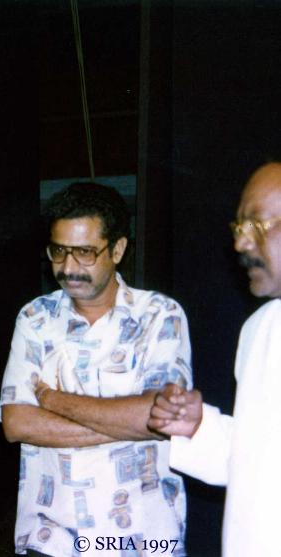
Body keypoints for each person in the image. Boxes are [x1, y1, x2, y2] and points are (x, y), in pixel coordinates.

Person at [0, 182, 193, 557]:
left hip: (141, 537)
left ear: (117, 249)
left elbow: (156, 419)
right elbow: (17, 423)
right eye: (59, 251)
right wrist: (125, 422)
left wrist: (53, 400)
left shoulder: (159, 315)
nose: (69, 268)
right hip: (52, 537)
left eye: (85, 252)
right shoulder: (35, 318)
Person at [149, 161, 281, 556]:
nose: (240, 244)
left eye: (256, 225)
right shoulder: (261, 328)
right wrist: (198, 428)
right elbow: (256, 462)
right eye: (239, 228)